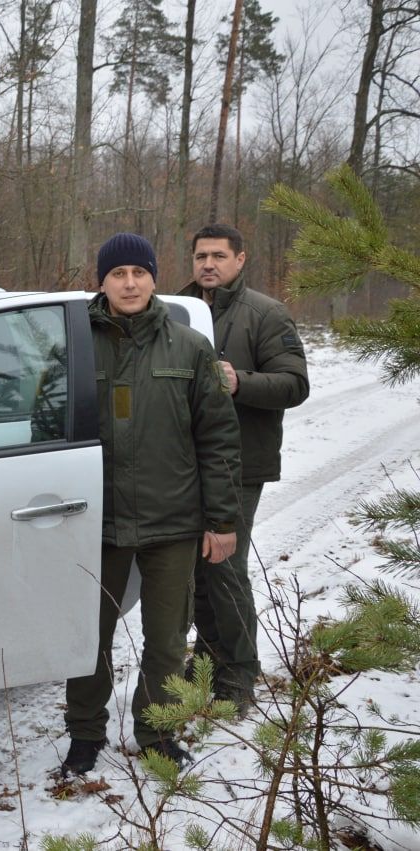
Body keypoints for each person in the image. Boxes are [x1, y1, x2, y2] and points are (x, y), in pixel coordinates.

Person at [62, 232, 241, 775]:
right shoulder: (75, 343)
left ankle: (157, 734)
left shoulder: (189, 347)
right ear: (102, 280)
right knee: (87, 637)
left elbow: (218, 438)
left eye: (139, 272)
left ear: (154, 277)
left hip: (172, 522)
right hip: (97, 522)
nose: (130, 283)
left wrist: (222, 520)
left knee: (166, 639)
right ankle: (84, 734)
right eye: (119, 274)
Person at [178, 223, 309, 711]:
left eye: (217, 255)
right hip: (182, 462)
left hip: (239, 463)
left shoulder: (265, 314)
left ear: (240, 259)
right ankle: (207, 661)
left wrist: (241, 383)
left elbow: (295, 384)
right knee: (191, 571)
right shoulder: (178, 310)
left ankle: (238, 677)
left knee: (224, 568)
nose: (207, 264)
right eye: (200, 256)